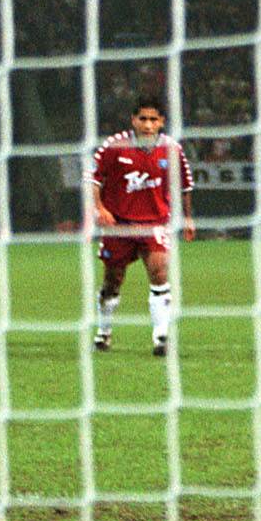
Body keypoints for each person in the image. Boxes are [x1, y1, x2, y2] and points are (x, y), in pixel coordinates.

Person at [86, 94, 196, 357]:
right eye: (143, 119)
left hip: (155, 222)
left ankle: (161, 338)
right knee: (113, 280)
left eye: (153, 119)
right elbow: (93, 178)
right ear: (133, 120)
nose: (148, 125)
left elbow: (184, 185)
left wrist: (189, 217)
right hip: (119, 224)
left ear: (162, 122)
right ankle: (103, 332)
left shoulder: (172, 149)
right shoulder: (114, 146)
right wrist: (99, 208)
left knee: (159, 272)